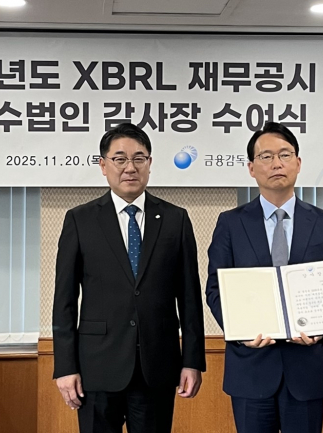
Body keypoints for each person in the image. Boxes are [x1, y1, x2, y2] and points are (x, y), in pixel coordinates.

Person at [52, 122, 206, 433]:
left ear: (150, 163)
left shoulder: (175, 219)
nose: (130, 167)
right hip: (96, 368)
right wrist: (65, 367)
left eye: (139, 158)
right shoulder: (80, 220)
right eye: (120, 159)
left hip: (157, 366)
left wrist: (192, 361)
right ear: (103, 166)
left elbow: (190, 297)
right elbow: (64, 300)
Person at [205, 122, 323, 433]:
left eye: (285, 155)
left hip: (306, 367)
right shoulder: (230, 223)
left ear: (298, 163)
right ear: (251, 168)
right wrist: (241, 332)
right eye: (266, 156)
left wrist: (321, 329)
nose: (276, 163)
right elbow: (216, 289)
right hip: (250, 367)